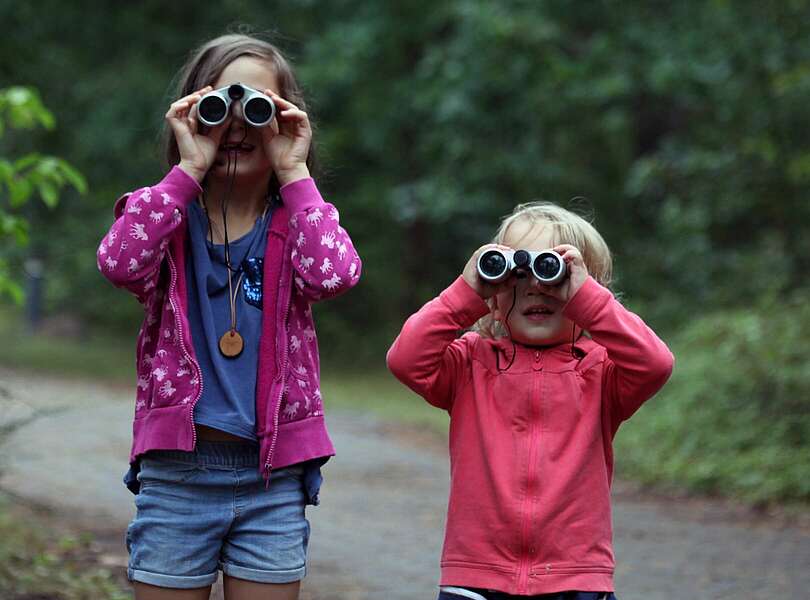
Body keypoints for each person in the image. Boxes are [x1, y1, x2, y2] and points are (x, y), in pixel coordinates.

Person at [97, 33, 361, 600]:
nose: (237, 125)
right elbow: (120, 262)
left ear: (287, 122)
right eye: (217, 107)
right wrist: (187, 169)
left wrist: (295, 174)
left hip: (272, 477)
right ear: (190, 116)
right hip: (177, 473)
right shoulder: (165, 216)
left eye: (257, 110)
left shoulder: (299, 221)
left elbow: (334, 276)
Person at [386, 202, 674, 600]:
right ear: (495, 295)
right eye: (517, 275)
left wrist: (587, 300)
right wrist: (465, 292)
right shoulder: (471, 364)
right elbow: (405, 359)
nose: (538, 287)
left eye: (554, 274)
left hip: (576, 575)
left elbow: (655, 363)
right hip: (477, 573)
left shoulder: (601, 372)